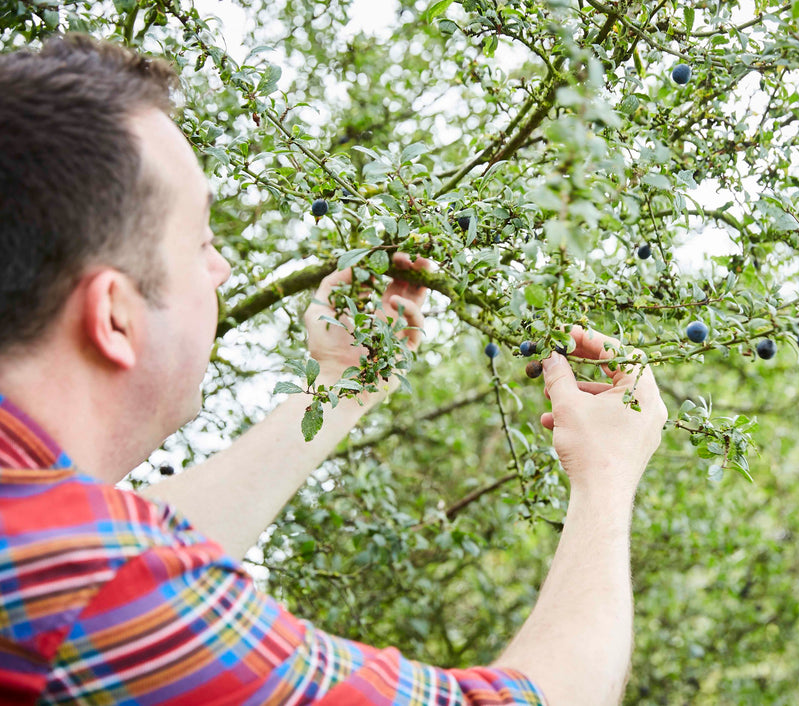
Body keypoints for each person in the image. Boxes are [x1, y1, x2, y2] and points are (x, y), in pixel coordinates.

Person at [0, 34, 668, 706]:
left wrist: (341, 387)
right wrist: (605, 477)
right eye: (201, 241)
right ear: (114, 316)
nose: (221, 269)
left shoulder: (46, 552)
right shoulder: (85, 584)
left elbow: (131, 550)